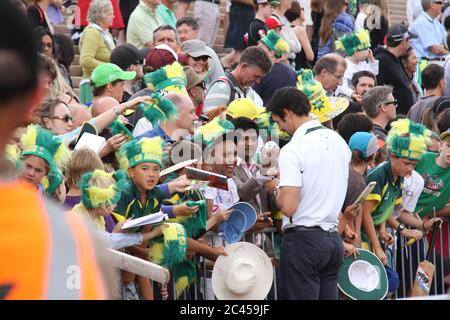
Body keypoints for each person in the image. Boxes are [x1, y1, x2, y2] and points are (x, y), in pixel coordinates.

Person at [267, 86, 350, 300]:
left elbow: (289, 206)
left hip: (305, 241)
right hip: (332, 239)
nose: (281, 129)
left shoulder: (293, 148)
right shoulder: (339, 141)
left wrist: (276, 189)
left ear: (286, 113)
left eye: (278, 121)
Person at [361, 119, 431, 265]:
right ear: (392, 156)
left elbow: (386, 211)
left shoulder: (399, 176)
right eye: (407, 163)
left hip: (374, 234)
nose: (410, 169)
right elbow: (364, 213)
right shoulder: (379, 175)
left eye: (414, 165)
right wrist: (378, 247)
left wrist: (400, 230)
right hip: (362, 236)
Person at [204, 46, 272, 113]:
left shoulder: (249, 92)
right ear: (243, 66)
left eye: (260, 78)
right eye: (256, 76)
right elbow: (209, 120)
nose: (258, 81)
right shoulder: (222, 88)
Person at [78, 0, 115, 106]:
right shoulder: (92, 33)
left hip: (102, 86)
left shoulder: (107, 34)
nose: (113, 16)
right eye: (109, 13)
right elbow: (85, 60)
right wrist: (110, 69)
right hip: (91, 86)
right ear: (100, 15)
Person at [375, 23, 417, 116]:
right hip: (392, 120)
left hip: (402, 117)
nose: (410, 43)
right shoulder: (382, 60)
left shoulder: (396, 59)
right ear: (403, 42)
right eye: (409, 40)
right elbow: (379, 90)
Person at [175, 17, 225, 87]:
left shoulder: (208, 52)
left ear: (196, 33)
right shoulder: (174, 53)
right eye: (179, 32)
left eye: (186, 32)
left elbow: (219, 78)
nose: (182, 36)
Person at [253, 30, 297, 104]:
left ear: (271, 53)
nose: (256, 50)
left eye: (260, 47)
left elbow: (252, 97)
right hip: (286, 113)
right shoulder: (291, 71)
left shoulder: (261, 72)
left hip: (264, 113)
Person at [335, 29, 379, 99]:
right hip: (347, 99)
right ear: (356, 52)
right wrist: (352, 94)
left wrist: (372, 60)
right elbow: (341, 86)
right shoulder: (344, 65)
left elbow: (373, 75)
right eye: (366, 49)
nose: (369, 51)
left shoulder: (363, 63)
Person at [284, 0, 315, 69]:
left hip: (291, 67)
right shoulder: (300, 30)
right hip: (301, 69)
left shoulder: (286, 28)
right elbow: (310, 56)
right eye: (302, 9)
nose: (303, 11)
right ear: (297, 11)